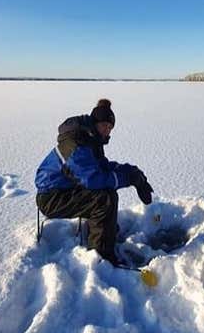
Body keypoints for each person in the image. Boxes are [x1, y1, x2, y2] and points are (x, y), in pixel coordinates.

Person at [35, 99, 154, 266]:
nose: (107, 131)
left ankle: (107, 236)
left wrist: (132, 172)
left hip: (65, 191)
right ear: (95, 123)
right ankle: (102, 257)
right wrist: (128, 179)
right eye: (105, 125)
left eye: (110, 128)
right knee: (104, 199)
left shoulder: (89, 140)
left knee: (107, 193)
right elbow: (93, 179)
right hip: (52, 198)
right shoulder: (77, 143)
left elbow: (102, 167)